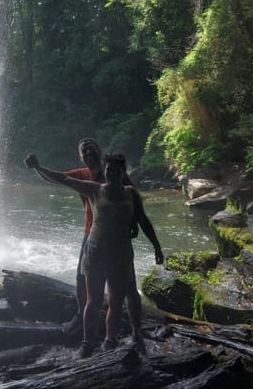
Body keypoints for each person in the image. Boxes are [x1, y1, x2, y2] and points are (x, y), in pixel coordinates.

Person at [25, 152, 164, 358]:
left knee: (116, 302)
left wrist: (157, 247)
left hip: (121, 254)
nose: (111, 173)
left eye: (116, 169)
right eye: (108, 169)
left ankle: (110, 342)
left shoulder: (130, 193)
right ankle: (87, 344)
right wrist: (39, 167)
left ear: (122, 171)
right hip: (97, 252)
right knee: (93, 301)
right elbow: (64, 179)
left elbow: (142, 220)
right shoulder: (94, 189)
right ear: (104, 171)